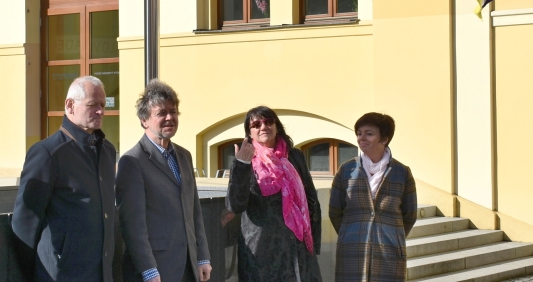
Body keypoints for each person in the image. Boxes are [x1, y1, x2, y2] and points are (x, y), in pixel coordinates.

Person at [12, 76, 117, 282]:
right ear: (70, 105)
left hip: (101, 273)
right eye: (92, 105)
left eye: (103, 105)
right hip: (61, 275)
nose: (100, 111)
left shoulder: (107, 151)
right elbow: (25, 222)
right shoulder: (47, 153)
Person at [116, 79, 212, 282]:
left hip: (189, 268)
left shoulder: (184, 156)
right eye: (161, 113)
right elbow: (132, 226)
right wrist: (149, 270)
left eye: (173, 111)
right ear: (144, 120)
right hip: (156, 271)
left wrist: (202, 257)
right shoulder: (132, 162)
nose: (170, 117)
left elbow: (194, 211)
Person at [226, 106, 322, 282]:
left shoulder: (295, 156)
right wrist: (241, 165)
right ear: (250, 132)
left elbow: (311, 199)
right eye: (256, 124)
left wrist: (314, 244)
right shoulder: (245, 159)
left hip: (297, 248)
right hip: (261, 252)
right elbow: (235, 205)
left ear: (277, 126)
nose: (263, 127)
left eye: (268, 122)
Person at [329, 112, 417, 282]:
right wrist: (351, 233)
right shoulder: (346, 170)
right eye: (359, 133)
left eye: (369, 134)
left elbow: (410, 214)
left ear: (384, 139)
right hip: (352, 250)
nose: (361, 138)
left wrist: (392, 235)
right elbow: (335, 211)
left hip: (389, 251)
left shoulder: (402, 173)